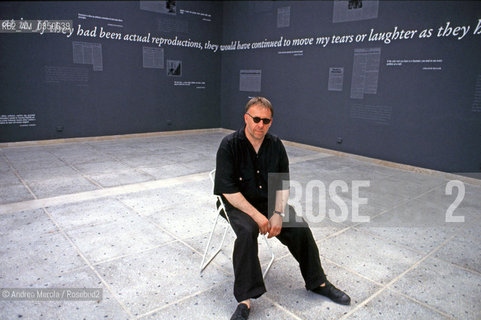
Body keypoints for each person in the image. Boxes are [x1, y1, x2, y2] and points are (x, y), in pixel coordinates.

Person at [214, 97, 351, 320]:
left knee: (300, 228)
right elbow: (228, 191)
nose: (260, 125)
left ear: (271, 122)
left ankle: (318, 282)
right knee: (247, 232)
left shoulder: (275, 145)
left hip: (268, 202)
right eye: (256, 119)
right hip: (238, 204)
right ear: (246, 118)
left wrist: (277, 214)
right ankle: (244, 301)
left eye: (265, 121)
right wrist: (259, 217)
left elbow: (282, 184)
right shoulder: (229, 145)